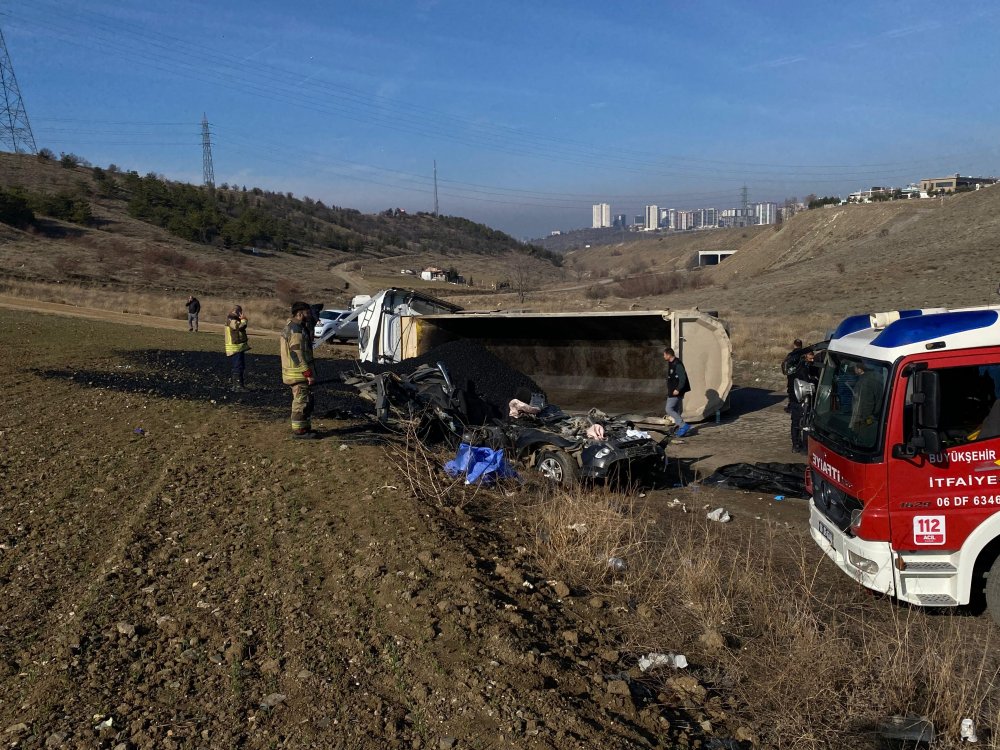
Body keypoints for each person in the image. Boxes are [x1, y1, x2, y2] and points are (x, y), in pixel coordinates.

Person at [280, 301, 318, 439]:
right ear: (300, 313)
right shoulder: (296, 330)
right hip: (298, 373)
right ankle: (299, 431)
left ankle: (304, 427)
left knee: (305, 400)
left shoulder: (294, 327)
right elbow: (296, 353)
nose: (309, 315)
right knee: (300, 402)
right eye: (307, 312)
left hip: (294, 372)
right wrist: (307, 373)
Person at [790, 350, 818, 453]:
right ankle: (801, 445)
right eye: (811, 357)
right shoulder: (803, 369)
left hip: (795, 399)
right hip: (800, 399)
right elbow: (806, 382)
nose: (813, 359)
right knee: (802, 423)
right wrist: (814, 380)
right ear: (806, 356)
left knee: (796, 423)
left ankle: (796, 444)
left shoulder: (797, 367)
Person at [663, 347, 692, 437]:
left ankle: (683, 425)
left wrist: (678, 389)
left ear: (668, 355)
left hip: (676, 392)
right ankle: (680, 428)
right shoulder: (671, 363)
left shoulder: (677, 364)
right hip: (673, 390)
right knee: (676, 410)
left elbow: (682, 378)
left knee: (669, 409)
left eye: (664, 355)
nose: (663, 356)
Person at [224, 304, 250, 392]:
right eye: (240, 312)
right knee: (238, 366)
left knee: (239, 366)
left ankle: (236, 385)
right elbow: (239, 327)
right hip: (235, 347)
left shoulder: (232, 319)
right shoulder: (231, 319)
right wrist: (244, 320)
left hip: (237, 347)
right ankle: (238, 386)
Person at [782, 339, 805, 411]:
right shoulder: (804, 354)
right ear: (801, 345)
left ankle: (791, 406)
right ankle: (800, 405)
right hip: (801, 375)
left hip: (791, 375)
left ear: (794, 345)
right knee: (801, 390)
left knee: (791, 391)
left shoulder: (791, 354)